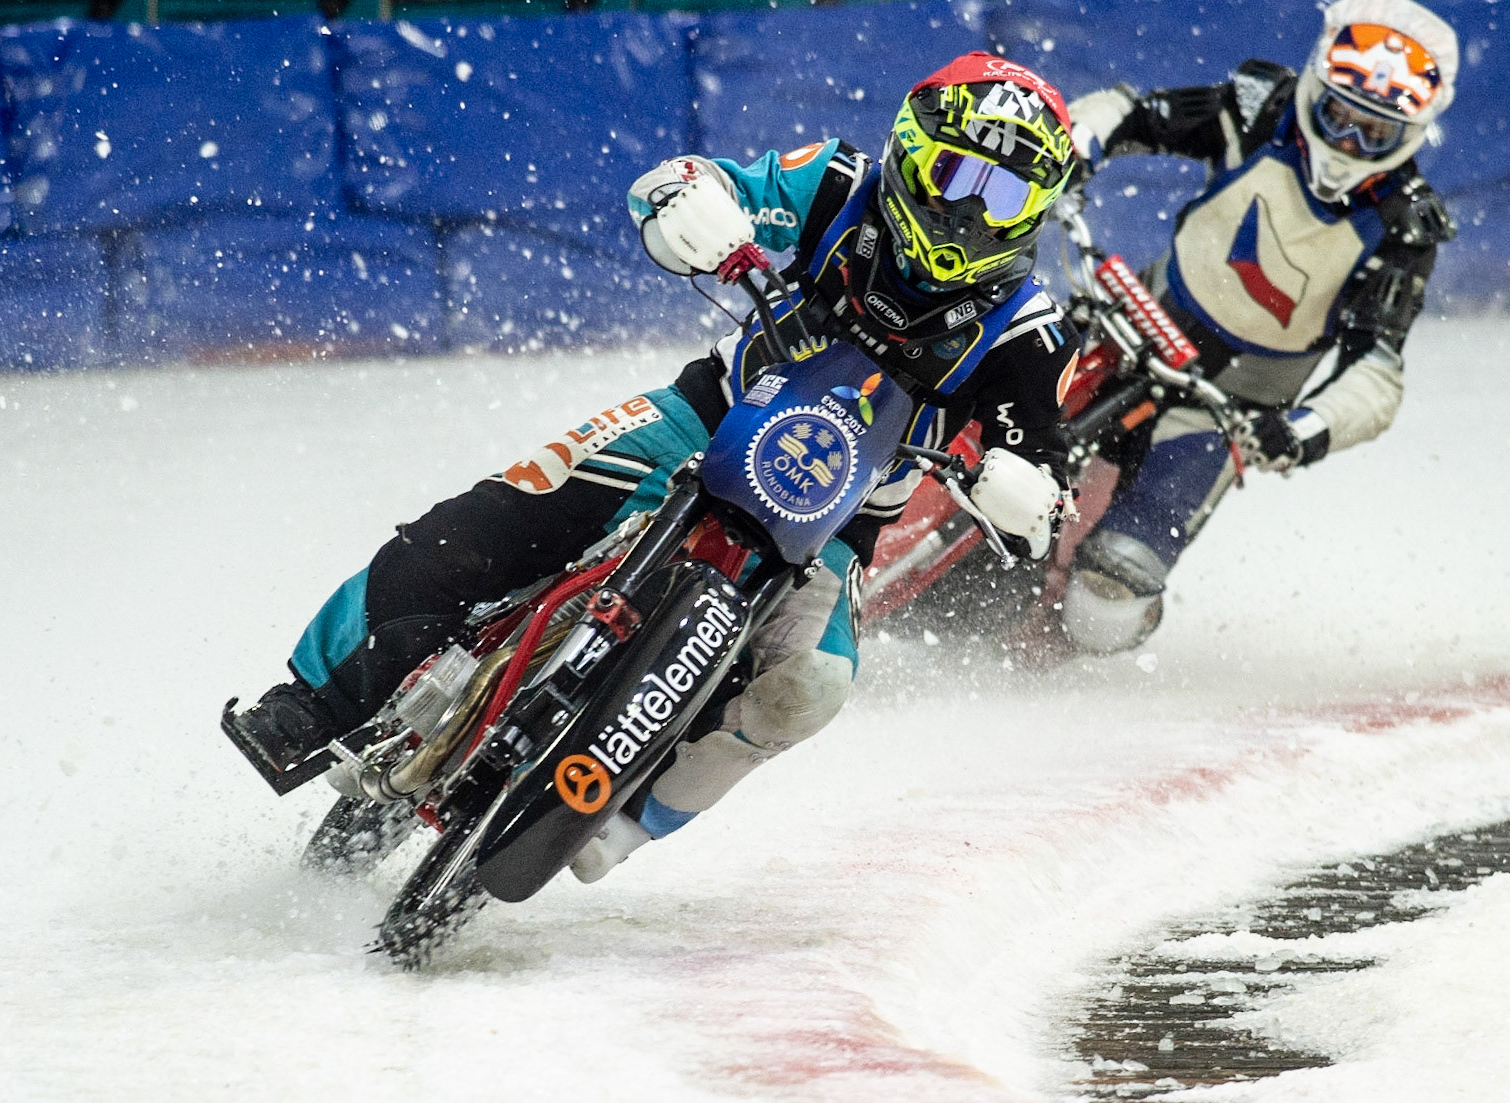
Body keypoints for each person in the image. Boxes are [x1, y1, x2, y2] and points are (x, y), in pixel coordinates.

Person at [223, 52, 1079, 880]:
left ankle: (625, 823)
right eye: (957, 175)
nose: (971, 211)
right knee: (497, 515)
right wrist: (694, 206)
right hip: (703, 417)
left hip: (840, 529)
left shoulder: (1032, 335)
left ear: (1035, 209)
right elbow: (696, 183)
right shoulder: (835, 182)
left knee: (811, 686)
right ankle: (314, 699)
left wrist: (1023, 491)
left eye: (1002, 193)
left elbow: (1048, 477)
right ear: (910, 154)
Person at [1056, 0, 1459, 654]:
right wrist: (1070, 149)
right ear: (1312, 90)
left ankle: (1083, 647)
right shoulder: (1258, 108)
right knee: (983, 422)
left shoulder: (1404, 225)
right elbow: (1131, 112)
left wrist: (1300, 431)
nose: (1348, 145)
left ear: (1410, 135)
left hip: (1227, 412)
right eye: (1339, 116)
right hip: (1127, 325)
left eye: (1374, 134)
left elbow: (1377, 370)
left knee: (1108, 592)